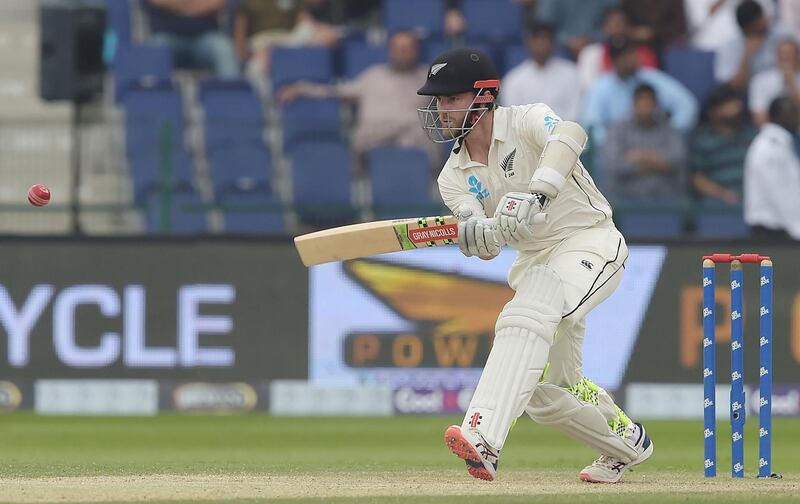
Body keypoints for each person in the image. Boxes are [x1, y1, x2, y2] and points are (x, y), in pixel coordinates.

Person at [416, 47, 654, 484]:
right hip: (535, 261)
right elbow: (483, 240)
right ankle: (625, 443)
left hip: (590, 241)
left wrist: (538, 193)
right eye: (439, 101)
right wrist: (477, 234)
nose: (441, 109)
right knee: (549, 391)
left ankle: (483, 437)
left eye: (450, 99)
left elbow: (570, 134)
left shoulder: (525, 118)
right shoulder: (452, 176)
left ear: (483, 97)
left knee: (526, 315)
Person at [278, 32, 435, 163]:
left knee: (426, 138)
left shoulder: (430, 78)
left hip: (412, 140)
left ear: (416, 51)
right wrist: (301, 88)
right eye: (397, 48)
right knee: (357, 142)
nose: (402, 52)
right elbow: (335, 91)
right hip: (373, 138)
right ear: (390, 50)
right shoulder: (373, 75)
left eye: (407, 48)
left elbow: (455, 97)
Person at [582, 37, 698, 145]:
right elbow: (592, 126)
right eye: (626, 55)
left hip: (654, 144)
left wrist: (670, 135)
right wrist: (615, 146)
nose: (633, 59)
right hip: (618, 150)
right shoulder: (601, 88)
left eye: (633, 53)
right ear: (614, 60)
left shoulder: (651, 78)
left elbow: (687, 105)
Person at [602, 84, 688, 201]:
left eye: (649, 102)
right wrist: (659, 164)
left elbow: (677, 162)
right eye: (641, 102)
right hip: (626, 199)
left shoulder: (669, 131)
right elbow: (615, 165)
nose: (645, 107)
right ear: (633, 104)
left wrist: (640, 157)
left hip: (664, 199)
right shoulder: (618, 130)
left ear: (656, 105)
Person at [744, 96, 800, 239]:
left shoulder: (783, 144)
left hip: (785, 229)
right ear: (778, 115)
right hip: (771, 233)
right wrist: (797, 229)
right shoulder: (768, 146)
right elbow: (779, 192)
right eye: (792, 111)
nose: (797, 116)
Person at [500, 22, 581, 120]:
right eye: (537, 40)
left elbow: (575, 112)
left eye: (545, 40)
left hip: (564, 131)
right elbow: (512, 118)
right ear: (528, 43)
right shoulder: (514, 79)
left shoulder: (571, 73)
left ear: (554, 44)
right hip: (527, 134)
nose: (541, 45)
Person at [691, 85, 757, 205]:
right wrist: (723, 194)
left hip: (755, 202)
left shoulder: (753, 136)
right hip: (718, 206)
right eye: (728, 103)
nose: (736, 107)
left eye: (736, 101)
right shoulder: (703, 141)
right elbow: (697, 179)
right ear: (714, 111)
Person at [143, 0, 241, 79]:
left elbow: (219, 2)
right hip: (167, 38)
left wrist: (179, 6)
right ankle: (153, 100)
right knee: (154, 49)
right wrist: (193, 5)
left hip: (205, 38)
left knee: (224, 49)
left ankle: (232, 101)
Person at [576, 7, 659, 91]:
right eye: (612, 24)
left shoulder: (644, 54)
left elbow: (651, 84)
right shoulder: (591, 53)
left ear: (630, 27)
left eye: (621, 24)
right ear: (604, 28)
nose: (617, 28)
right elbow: (588, 88)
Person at [715, 0, 788, 91]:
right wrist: (747, 57)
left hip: (785, 88)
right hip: (750, 95)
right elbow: (731, 89)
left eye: (763, 15)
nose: (765, 20)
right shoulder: (730, 47)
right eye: (760, 20)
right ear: (747, 28)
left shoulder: (781, 34)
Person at [749, 38, 800, 125]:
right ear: (776, 56)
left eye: (790, 54)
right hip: (772, 130)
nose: (786, 57)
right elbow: (759, 115)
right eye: (783, 54)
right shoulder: (761, 80)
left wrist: (792, 85)